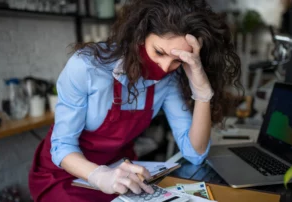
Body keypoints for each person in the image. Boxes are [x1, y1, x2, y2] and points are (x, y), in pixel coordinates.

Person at [28, 0, 241, 201]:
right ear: (140, 35)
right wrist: (100, 176)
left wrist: (202, 91)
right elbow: (62, 146)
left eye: (178, 60)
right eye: (159, 52)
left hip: (122, 171)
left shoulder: (168, 80)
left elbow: (195, 153)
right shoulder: (87, 66)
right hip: (65, 174)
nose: (166, 67)